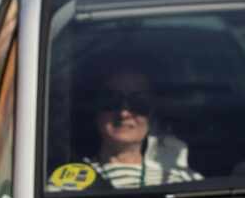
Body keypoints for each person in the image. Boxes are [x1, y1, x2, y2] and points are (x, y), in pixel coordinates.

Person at [71, 68, 201, 189]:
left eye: (139, 103)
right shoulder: (71, 179)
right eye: (111, 100)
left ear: (152, 114)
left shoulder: (183, 180)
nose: (124, 113)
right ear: (96, 111)